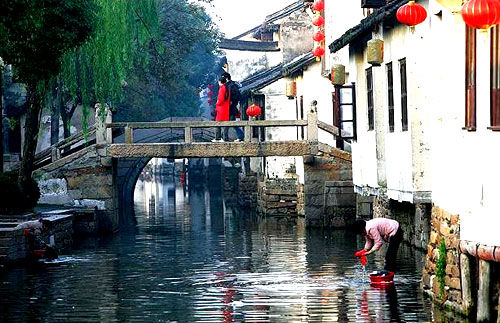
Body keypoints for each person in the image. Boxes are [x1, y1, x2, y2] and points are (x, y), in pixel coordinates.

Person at [222, 72, 244, 141]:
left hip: (231, 108)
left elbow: (237, 96)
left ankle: (224, 138)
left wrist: (231, 101)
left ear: (226, 78)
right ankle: (240, 136)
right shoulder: (228, 85)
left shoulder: (232, 86)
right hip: (228, 108)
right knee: (231, 123)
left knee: (228, 123)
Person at [212, 75, 230, 142]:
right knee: (225, 123)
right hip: (226, 108)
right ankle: (225, 138)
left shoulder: (222, 88)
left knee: (218, 123)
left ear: (220, 82)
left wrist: (217, 103)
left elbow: (220, 99)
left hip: (221, 108)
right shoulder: (227, 88)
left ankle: (218, 138)